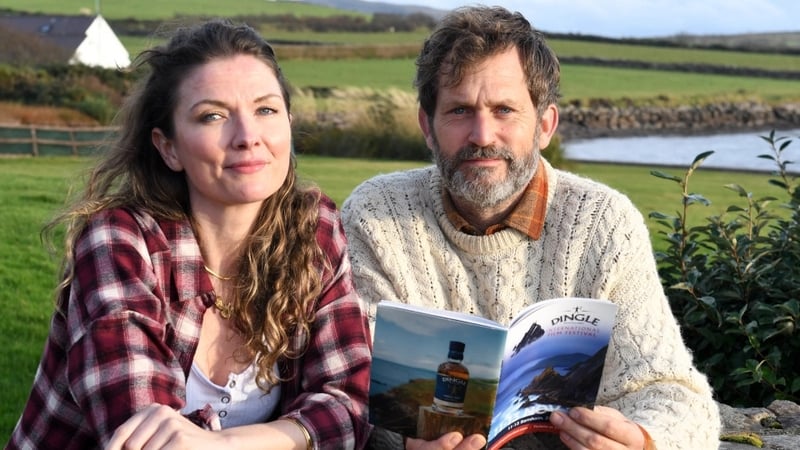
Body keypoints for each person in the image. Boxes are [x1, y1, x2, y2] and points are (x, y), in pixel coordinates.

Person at [341, 5, 719, 450]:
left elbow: (675, 393)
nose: (482, 135)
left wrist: (642, 440)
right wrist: (401, 443)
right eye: (460, 110)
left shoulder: (604, 223)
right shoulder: (375, 215)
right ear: (427, 125)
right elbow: (349, 388)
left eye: (504, 110)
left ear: (545, 125)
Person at [7, 20, 371, 450]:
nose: (248, 137)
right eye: (213, 116)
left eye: (266, 110)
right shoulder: (120, 239)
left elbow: (351, 403)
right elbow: (141, 434)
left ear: (288, 124)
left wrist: (229, 443)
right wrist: (291, 435)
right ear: (169, 148)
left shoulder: (315, 228)